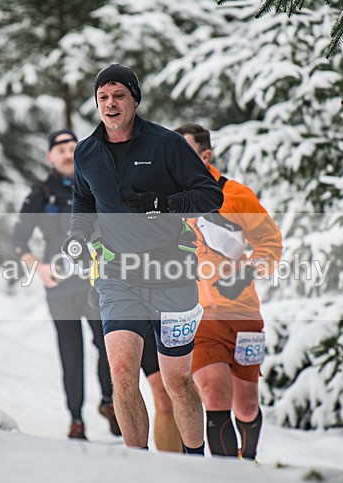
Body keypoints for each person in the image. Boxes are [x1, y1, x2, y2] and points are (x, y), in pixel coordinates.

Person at [64, 64, 223, 453]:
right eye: (103, 97)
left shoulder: (167, 145)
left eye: (119, 95)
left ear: (134, 99)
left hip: (171, 272)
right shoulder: (86, 152)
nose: (110, 104)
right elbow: (83, 200)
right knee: (121, 373)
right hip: (119, 275)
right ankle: (135, 466)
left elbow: (210, 196)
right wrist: (78, 236)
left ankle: (194, 458)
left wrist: (162, 203)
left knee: (176, 382)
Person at [174, 123, 282, 460]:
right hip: (200, 316)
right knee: (215, 394)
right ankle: (228, 479)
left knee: (247, 404)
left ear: (205, 156)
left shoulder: (237, 195)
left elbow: (271, 245)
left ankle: (247, 463)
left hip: (244, 314)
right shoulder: (170, 201)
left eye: (185, 153)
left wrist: (247, 271)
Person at [11, 129, 119, 440]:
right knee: (71, 354)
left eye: (72, 147)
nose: (66, 152)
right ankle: (76, 419)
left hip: (97, 282)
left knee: (108, 345)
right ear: (49, 157)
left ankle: (110, 402)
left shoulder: (97, 184)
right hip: (59, 288)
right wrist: (38, 267)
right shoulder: (40, 194)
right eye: (59, 149)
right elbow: (18, 239)